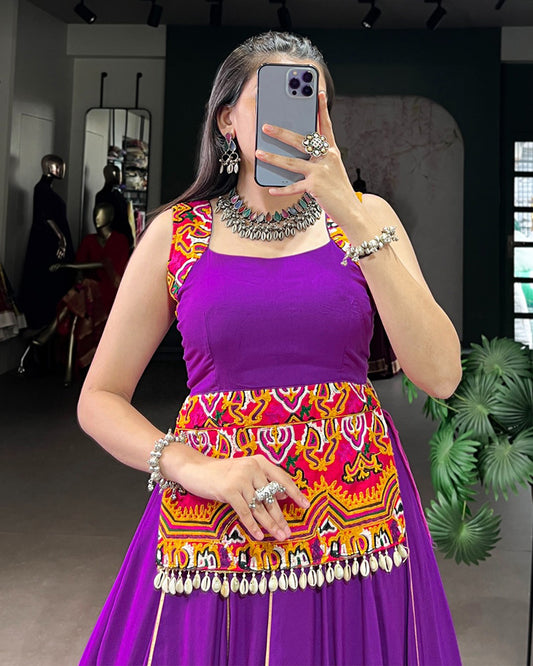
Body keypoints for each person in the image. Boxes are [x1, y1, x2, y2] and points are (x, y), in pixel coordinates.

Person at [78, 31, 462, 666]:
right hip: (213, 524)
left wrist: (349, 211)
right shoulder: (178, 233)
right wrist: (193, 467)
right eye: (276, 98)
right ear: (227, 119)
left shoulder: (368, 217)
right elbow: (99, 398)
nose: (298, 117)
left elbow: (442, 374)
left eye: (313, 101)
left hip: (358, 525)